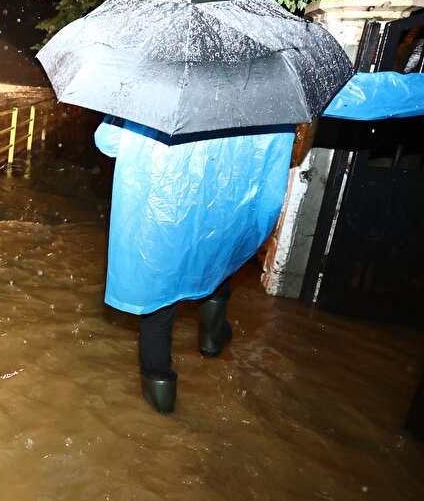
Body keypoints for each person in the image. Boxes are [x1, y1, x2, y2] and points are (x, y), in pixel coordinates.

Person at [94, 117, 296, 414]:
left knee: (159, 301)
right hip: (222, 203)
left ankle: (160, 399)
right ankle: (211, 338)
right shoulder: (260, 103)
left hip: (167, 208)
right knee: (217, 263)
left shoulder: (161, 98)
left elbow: (107, 141)